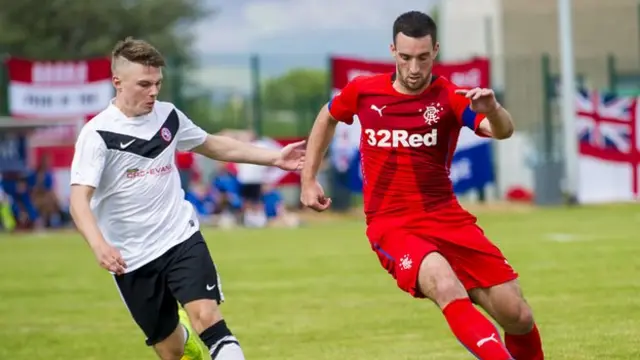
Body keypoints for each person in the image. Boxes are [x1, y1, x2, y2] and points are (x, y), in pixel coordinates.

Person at [300, 11, 543, 360]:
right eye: (406, 57)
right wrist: (308, 179)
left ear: (436, 51)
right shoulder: (364, 91)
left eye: (423, 58)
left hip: (447, 217)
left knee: (517, 315)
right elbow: (328, 116)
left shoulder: (451, 96)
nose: (414, 68)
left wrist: (493, 109)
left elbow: (501, 131)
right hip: (392, 224)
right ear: (393, 51)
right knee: (445, 285)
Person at [69, 37, 305, 360]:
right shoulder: (97, 135)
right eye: (144, 84)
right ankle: (182, 337)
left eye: (157, 83)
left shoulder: (169, 117)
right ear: (117, 82)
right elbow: (78, 200)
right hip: (131, 258)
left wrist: (274, 158)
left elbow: (213, 144)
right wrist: (99, 245)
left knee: (207, 317)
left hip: (180, 237)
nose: (153, 92)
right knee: (171, 351)